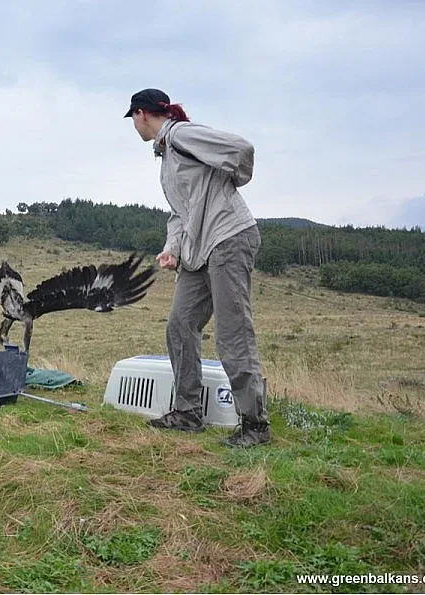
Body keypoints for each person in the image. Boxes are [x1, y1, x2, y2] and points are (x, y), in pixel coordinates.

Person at [125, 89, 270, 447]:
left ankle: (255, 425)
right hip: (198, 250)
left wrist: (234, 180)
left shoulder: (181, 134)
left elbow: (241, 149)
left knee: (232, 333)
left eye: (133, 120)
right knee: (180, 323)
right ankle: (188, 412)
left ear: (142, 114)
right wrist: (171, 249)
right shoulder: (167, 156)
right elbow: (180, 212)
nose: (134, 127)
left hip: (228, 237)